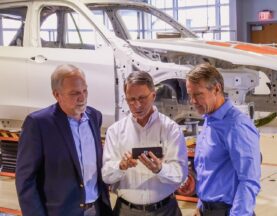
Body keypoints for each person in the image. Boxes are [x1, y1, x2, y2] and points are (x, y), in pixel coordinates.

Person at [15, 64, 113, 216]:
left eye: (85, 90)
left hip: (96, 209)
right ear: (57, 94)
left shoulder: (94, 117)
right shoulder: (39, 124)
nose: (82, 97)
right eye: (74, 93)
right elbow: (26, 180)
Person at [102, 71, 188, 216]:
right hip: (126, 211)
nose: (137, 105)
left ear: (153, 95)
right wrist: (121, 166)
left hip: (165, 211)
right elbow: (106, 176)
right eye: (131, 99)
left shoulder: (171, 129)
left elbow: (181, 175)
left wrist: (160, 169)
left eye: (142, 98)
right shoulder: (115, 131)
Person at [185, 63, 261, 216]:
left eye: (198, 94)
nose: (193, 101)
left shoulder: (236, 125)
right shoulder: (209, 119)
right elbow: (208, 172)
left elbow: (249, 180)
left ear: (217, 89)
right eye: (190, 95)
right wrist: (201, 205)